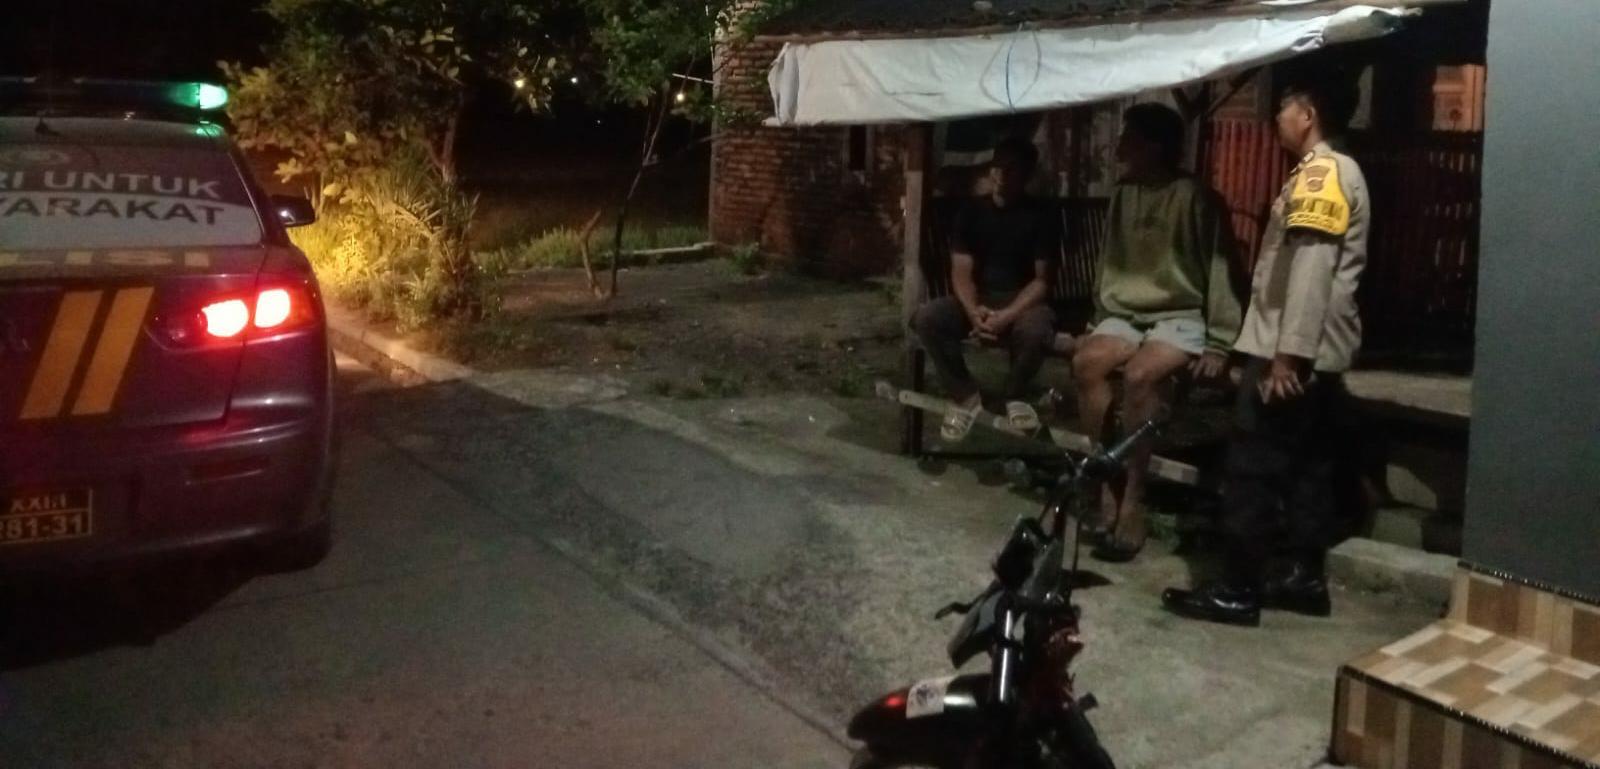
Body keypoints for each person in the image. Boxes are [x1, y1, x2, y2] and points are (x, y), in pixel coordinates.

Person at [1162, 73, 1369, 626]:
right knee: (1308, 467)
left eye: (1283, 108)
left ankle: (1237, 588)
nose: (1275, 119)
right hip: (1316, 352)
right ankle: (1304, 578)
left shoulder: (1324, 173)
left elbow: (1311, 268)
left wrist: (1287, 356)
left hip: (1292, 350)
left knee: (1251, 468)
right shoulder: (1333, 169)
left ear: (1308, 115)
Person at [1072, 103, 1241, 563]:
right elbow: (1110, 261)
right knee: (1087, 362)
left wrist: (1221, 343)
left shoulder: (1196, 197)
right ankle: (1104, 484)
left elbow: (1222, 269)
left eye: (1129, 139)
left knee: (1141, 375)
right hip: (1125, 311)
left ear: (1155, 146)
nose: (1119, 148)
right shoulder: (1123, 194)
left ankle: (1134, 497)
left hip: (1180, 312)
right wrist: (1098, 318)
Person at [912, 137, 1058, 442]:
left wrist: (1006, 316)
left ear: (1027, 174)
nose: (1001, 174)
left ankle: (1015, 395)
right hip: (979, 300)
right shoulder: (972, 212)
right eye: (997, 166)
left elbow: (1041, 282)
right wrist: (973, 311)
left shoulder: (1039, 216)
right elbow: (961, 270)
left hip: (1021, 303)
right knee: (928, 317)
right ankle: (965, 395)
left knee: (1037, 328)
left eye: (1012, 168)